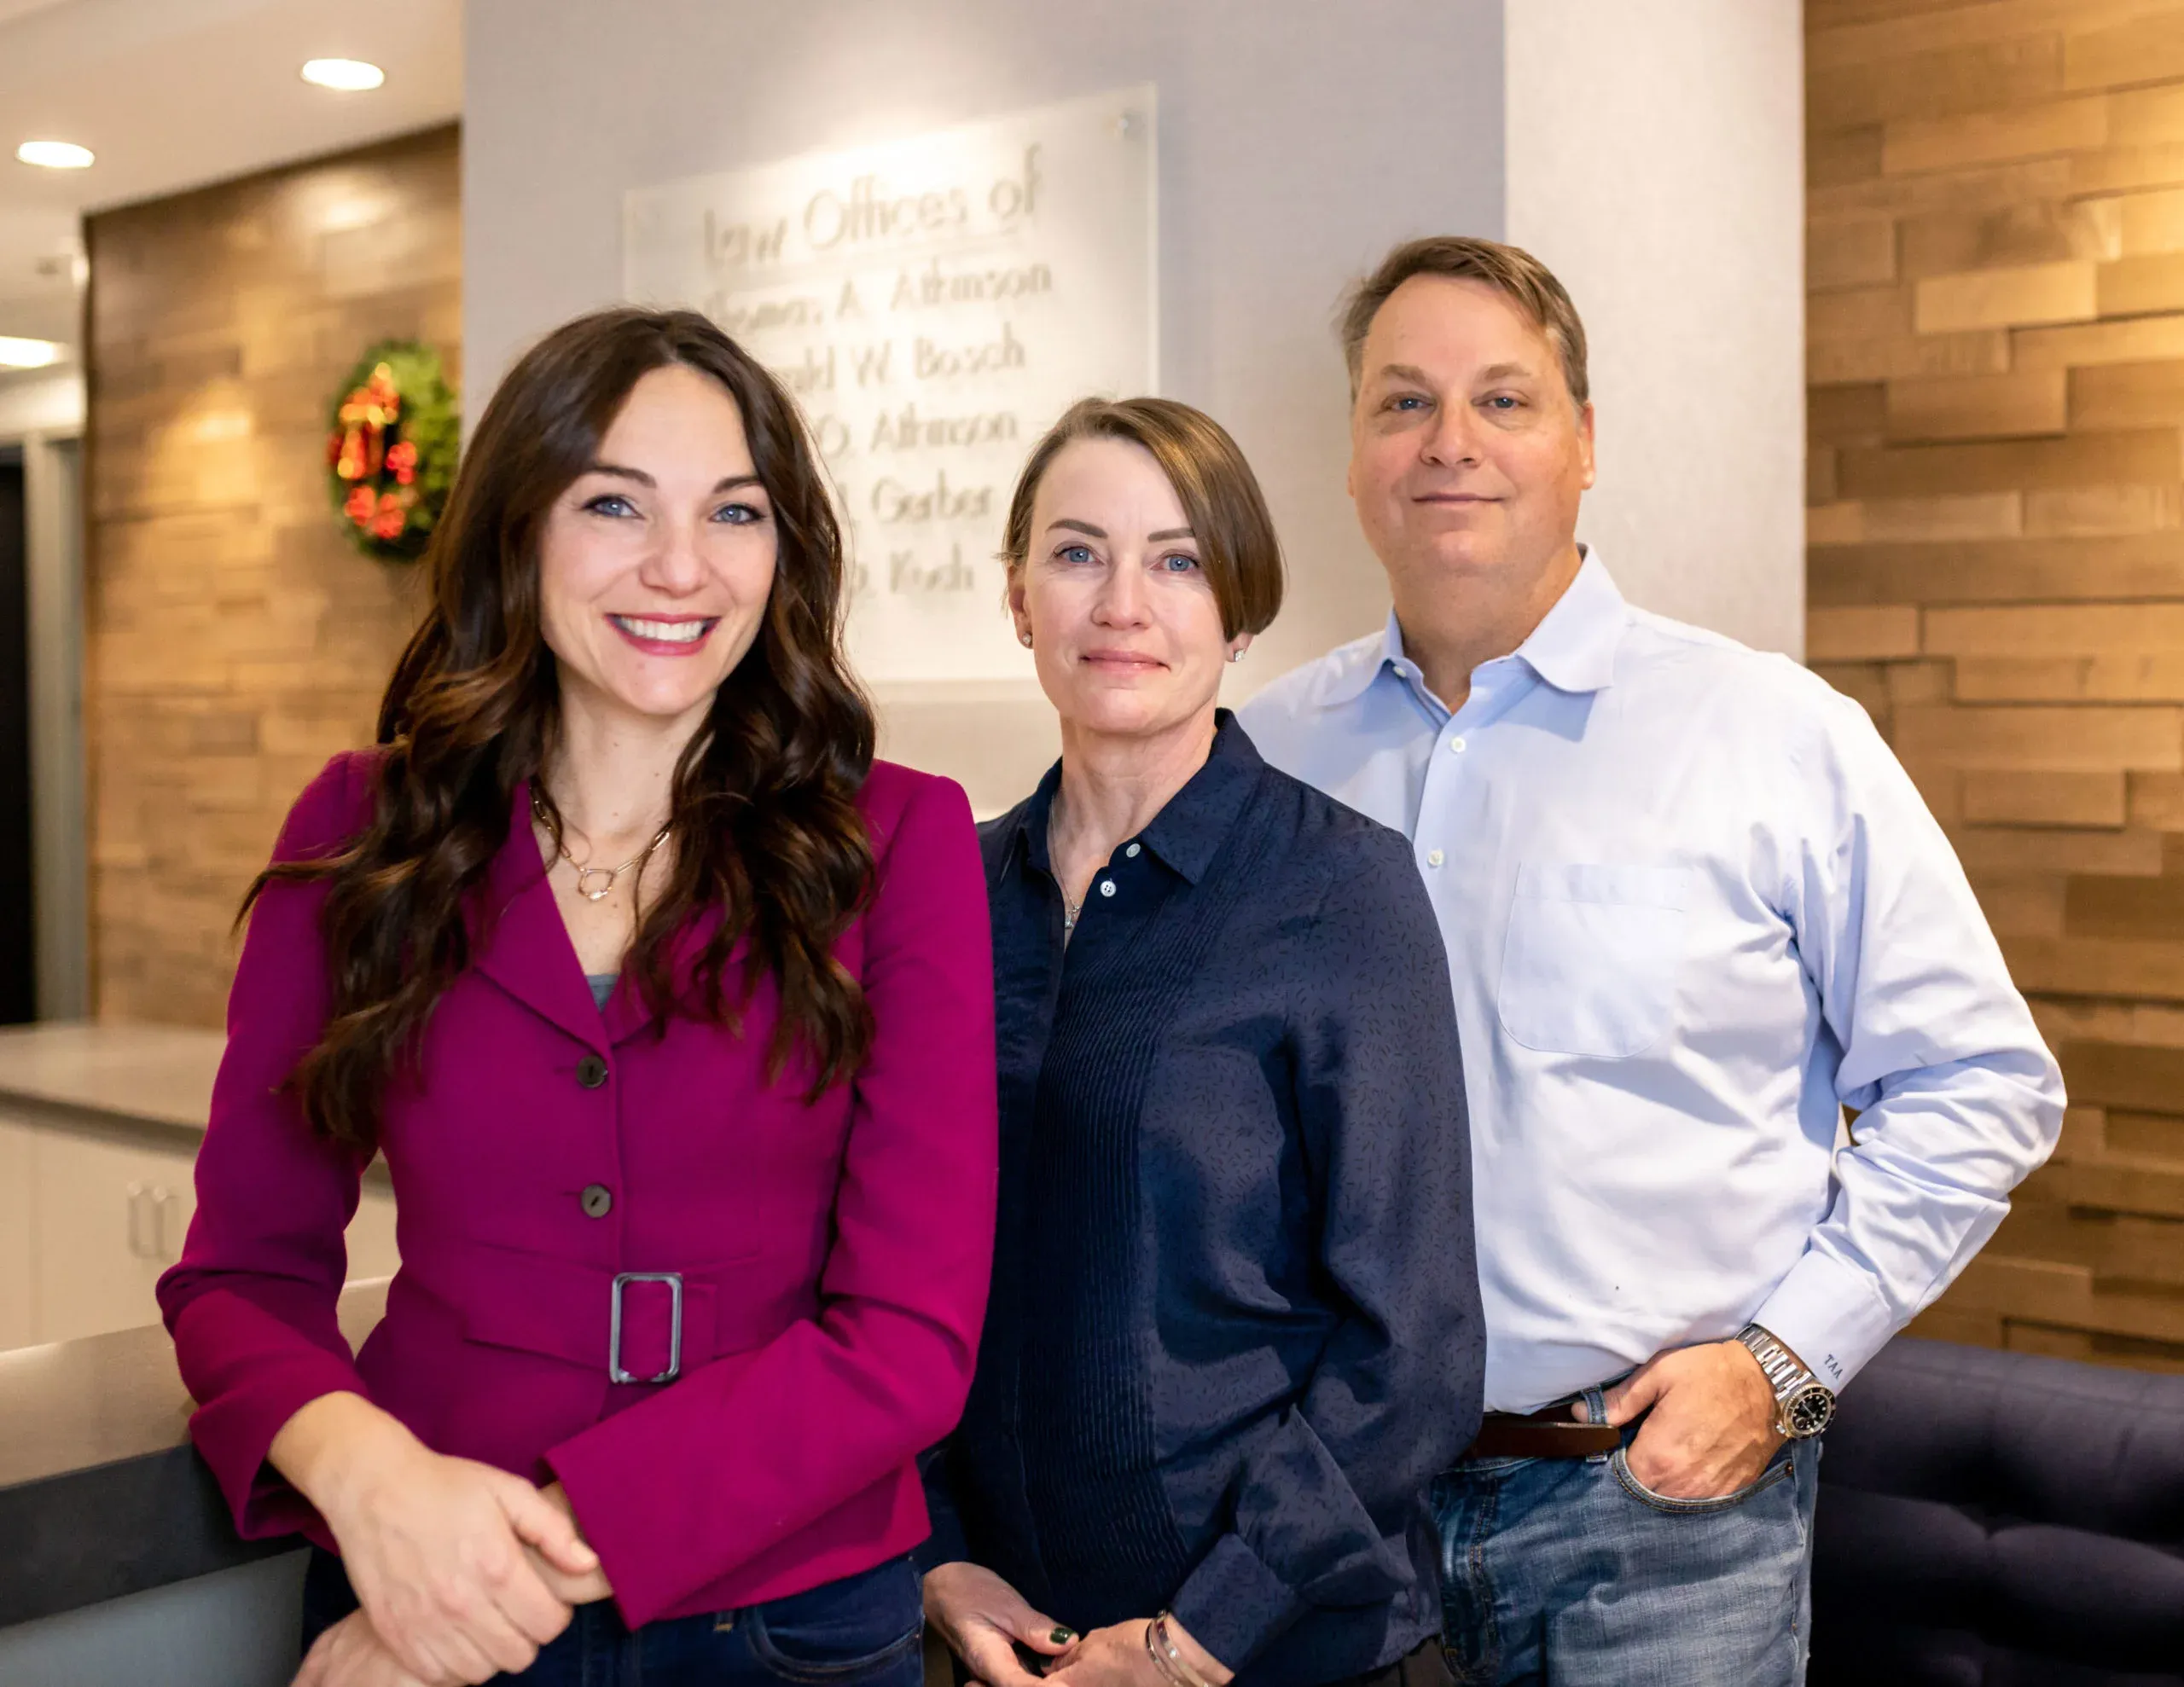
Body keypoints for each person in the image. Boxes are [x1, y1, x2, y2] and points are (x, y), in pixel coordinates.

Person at [1238, 235, 2066, 1687]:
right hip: (1334, 1527)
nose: (1450, 445)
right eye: (1401, 402)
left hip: (1661, 1528)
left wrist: (1787, 1364)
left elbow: (1981, 1081)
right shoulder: (1268, 754)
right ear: (1355, 454)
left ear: (1586, 442)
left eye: (1504, 399)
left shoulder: (1767, 733)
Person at [157, 307, 999, 1687]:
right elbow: (242, 1273)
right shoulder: (363, 830)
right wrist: (368, 1482)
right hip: (417, 1571)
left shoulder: (894, 843)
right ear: (519, 529)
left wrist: (514, 1568)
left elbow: (909, 1337)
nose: (681, 566)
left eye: (735, 512)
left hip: (781, 1625)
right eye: (615, 502)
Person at [919, 397, 1483, 1687]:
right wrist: (937, 1553)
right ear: (1018, 598)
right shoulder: (949, 890)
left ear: (1239, 610)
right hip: (1011, 1643)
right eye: (1077, 553)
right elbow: (894, 1261)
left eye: (1177, 560)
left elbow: (1417, 1347)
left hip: (1282, 1650)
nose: (1124, 602)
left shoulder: (1342, 891)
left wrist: (1197, 1636)